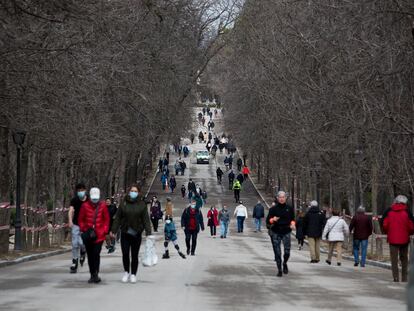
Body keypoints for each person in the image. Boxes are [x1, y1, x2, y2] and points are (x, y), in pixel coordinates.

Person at [110, 184, 151, 284]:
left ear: (138, 193)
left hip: (136, 233)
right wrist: (113, 230)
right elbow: (118, 217)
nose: (133, 193)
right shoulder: (123, 203)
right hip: (125, 232)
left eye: (135, 191)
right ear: (129, 192)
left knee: (134, 255)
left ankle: (133, 274)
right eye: (132, 191)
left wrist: (148, 232)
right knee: (125, 253)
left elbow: (146, 219)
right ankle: (126, 272)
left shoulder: (142, 204)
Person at [78, 187, 110, 284]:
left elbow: (106, 219)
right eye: (93, 198)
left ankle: (96, 273)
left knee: (96, 254)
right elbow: (80, 219)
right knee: (90, 255)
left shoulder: (103, 206)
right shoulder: (84, 206)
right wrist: (84, 228)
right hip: (88, 234)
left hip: (99, 235)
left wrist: (104, 230)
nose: (95, 200)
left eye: (96, 198)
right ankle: (92, 274)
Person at [382, 195, 414, 282]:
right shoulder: (407, 212)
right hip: (404, 239)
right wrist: (409, 233)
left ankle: (395, 277)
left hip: (392, 239)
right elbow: (411, 226)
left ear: (395, 201)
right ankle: (404, 278)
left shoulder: (389, 211)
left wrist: (387, 231)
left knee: (394, 259)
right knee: (404, 259)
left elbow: (384, 224)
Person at [266, 191, 295, 277]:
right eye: (280, 197)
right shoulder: (273, 209)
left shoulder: (289, 208)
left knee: (287, 252)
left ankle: (285, 263)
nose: (282, 199)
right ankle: (279, 270)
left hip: (286, 231)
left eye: (283, 197)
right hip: (276, 231)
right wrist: (273, 220)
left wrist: (293, 224)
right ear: (277, 198)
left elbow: (293, 219)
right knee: (277, 252)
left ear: (285, 198)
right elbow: (268, 221)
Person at [68, 183, 88, 273]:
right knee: (74, 243)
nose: (80, 192)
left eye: (82, 190)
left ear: (85, 190)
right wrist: (70, 221)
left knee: (82, 242)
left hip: (86, 225)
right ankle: (74, 262)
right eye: (79, 191)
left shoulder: (89, 200)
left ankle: (83, 252)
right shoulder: (75, 200)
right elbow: (71, 210)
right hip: (76, 224)